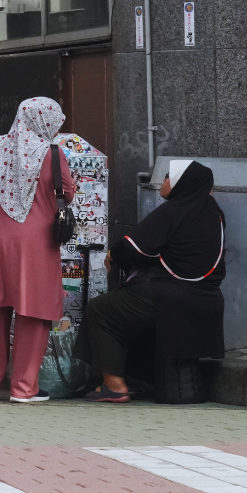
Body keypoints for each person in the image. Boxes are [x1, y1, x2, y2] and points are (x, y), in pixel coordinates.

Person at [78, 160, 226, 403]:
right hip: (208, 298)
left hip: (168, 294)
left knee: (101, 310)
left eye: (167, 177)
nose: (162, 182)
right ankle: (143, 381)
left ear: (181, 183)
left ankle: (114, 386)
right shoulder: (215, 214)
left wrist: (113, 255)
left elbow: (132, 247)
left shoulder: (173, 211)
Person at [0, 97, 76, 404]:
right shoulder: (51, 152)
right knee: (34, 310)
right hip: (37, 240)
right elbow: (67, 192)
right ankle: (23, 387)